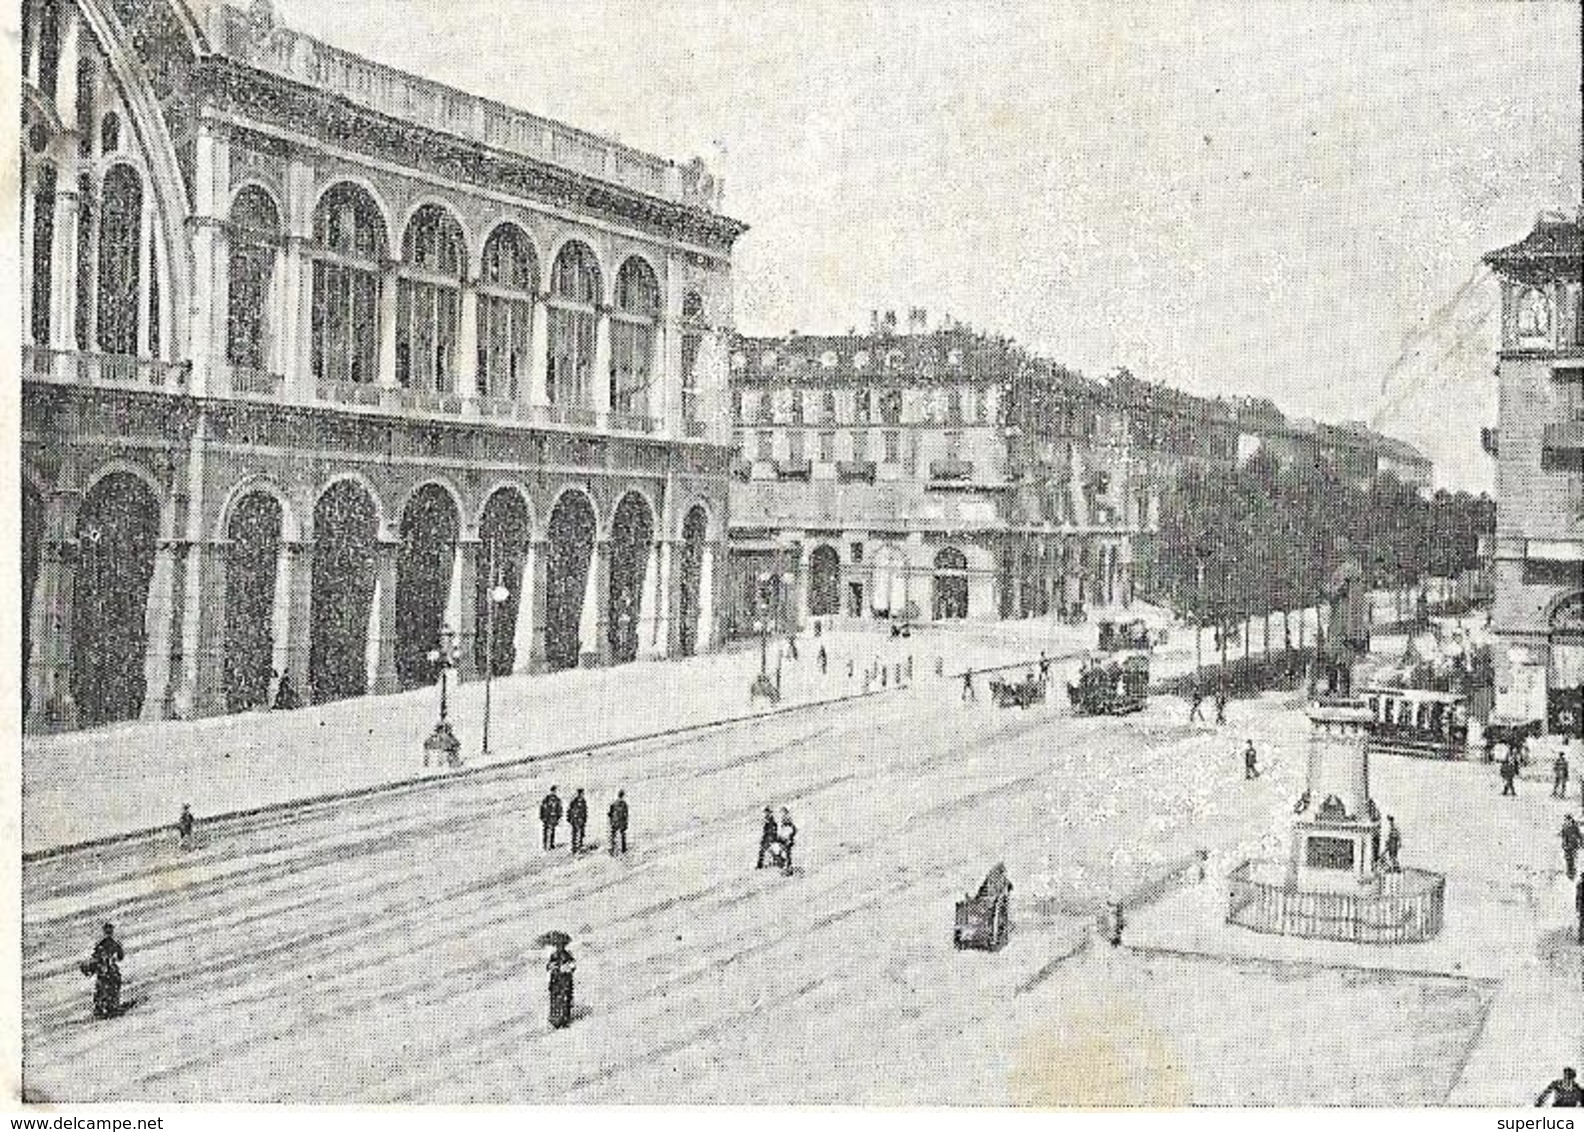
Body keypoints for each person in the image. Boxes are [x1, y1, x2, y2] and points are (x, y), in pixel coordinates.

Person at [82, 923, 124, 1020]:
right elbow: (120, 956)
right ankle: (106, 1007)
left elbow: (119, 956)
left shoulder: (105, 944)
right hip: (107, 970)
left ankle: (106, 1007)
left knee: (106, 989)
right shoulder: (110, 944)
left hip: (106, 970)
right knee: (107, 989)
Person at [546, 941, 576, 1030]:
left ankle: (565, 1020)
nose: (559, 947)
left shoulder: (567, 955)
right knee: (555, 1001)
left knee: (565, 1000)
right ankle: (555, 1021)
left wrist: (566, 968)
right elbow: (548, 967)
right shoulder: (554, 955)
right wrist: (553, 966)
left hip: (565, 982)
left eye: (561, 945)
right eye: (558, 946)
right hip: (556, 982)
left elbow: (572, 966)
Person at [566, 788, 588, 853]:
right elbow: (570, 811)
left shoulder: (583, 801)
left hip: (581, 820)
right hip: (575, 820)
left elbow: (584, 811)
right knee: (575, 834)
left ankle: (580, 846)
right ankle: (574, 848)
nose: (583, 794)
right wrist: (570, 819)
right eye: (582, 793)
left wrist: (584, 819)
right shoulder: (574, 801)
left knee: (581, 833)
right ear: (580, 793)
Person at [608, 790, 629, 855]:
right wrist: (626, 823)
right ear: (623, 795)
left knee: (613, 835)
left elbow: (610, 813)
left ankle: (612, 849)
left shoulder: (614, 803)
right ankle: (623, 849)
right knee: (622, 835)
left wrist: (611, 820)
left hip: (615, 821)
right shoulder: (624, 804)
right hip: (621, 821)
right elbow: (626, 814)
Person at [777, 807, 798, 874]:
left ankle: (788, 869)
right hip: (784, 839)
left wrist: (789, 838)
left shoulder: (789, 824)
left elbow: (792, 830)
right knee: (783, 854)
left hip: (787, 840)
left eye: (783, 812)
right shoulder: (784, 823)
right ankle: (787, 868)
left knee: (786, 854)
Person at [1564, 814, 1582, 880]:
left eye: (1568, 820)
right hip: (1568, 847)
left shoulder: (1575, 827)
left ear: (1571, 820)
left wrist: (1581, 843)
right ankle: (1570, 873)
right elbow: (1564, 838)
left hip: (1574, 846)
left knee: (1573, 859)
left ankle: (1573, 873)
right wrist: (1564, 846)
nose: (1567, 821)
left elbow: (1580, 836)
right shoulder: (1565, 828)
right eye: (1566, 820)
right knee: (1568, 859)